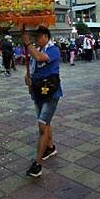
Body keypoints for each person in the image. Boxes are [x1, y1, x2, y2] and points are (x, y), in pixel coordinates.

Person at [22, 26, 62, 178]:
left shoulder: (53, 49)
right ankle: (50, 147)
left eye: (38, 37)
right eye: (35, 37)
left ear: (46, 36)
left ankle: (37, 164)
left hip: (51, 92)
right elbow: (34, 67)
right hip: (38, 92)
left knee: (42, 127)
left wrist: (27, 44)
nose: (36, 40)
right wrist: (28, 78)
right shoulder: (36, 49)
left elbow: (40, 58)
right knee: (45, 123)